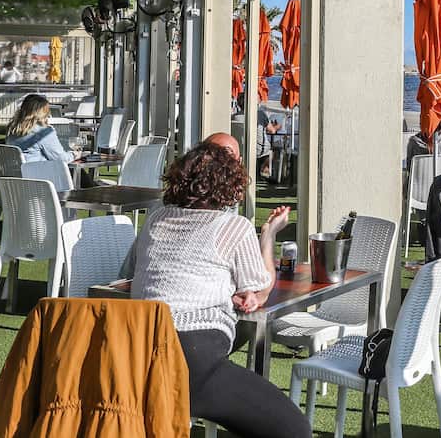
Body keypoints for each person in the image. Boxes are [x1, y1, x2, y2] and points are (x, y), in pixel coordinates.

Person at [124, 142, 310, 438]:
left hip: (136, 350)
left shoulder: (156, 219)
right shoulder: (233, 226)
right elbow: (260, 286)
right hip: (192, 359)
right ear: (229, 183)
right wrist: (269, 233)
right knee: (294, 429)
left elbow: (142, 272)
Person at [4, 94, 73, 163]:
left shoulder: (12, 129)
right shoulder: (43, 132)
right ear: (42, 113)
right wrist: (74, 155)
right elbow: (61, 159)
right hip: (37, 172)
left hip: (13, 172)